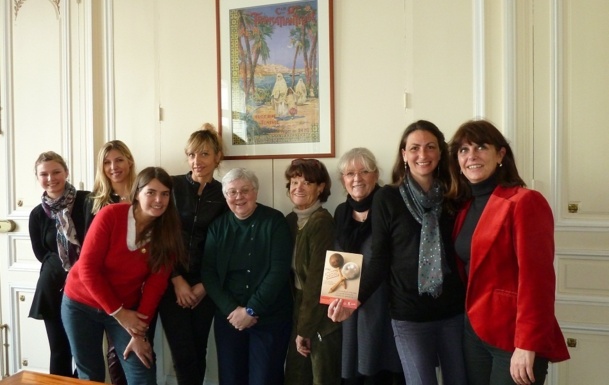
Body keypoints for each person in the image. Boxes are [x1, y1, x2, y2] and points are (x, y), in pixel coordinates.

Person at [329, 120, 467, 385]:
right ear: (404, 154)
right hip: (408, 314)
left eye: (430, 147)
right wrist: (352, 302)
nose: (422, 154)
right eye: (414, 148)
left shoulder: (455, 195)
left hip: (452, 311)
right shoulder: (388, 198)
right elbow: (380, 260)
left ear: (440, 152)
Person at [447, 119, 570, 385]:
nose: (472, 156)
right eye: (463, 150)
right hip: (473, 331)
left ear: (501, 154)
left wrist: (527, 344)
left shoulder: (525, 201)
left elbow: (537, 280)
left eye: (481, 147)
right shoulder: (465, 207)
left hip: (514, 336)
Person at [61, 167, 185, 384]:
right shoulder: (111, 215)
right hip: (80, 304)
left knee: (142, 371)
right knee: (90, 375)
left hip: (126, 309)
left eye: (165, 194)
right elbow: (88, 269)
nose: (159, 199)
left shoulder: (167, 233)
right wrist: (118, 313)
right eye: (151, 192)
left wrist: (138, 333)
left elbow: (156, 285)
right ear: (137, 193)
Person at [201, 167, 293, 385]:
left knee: (265, 379)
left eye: (245, 190)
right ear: (225, 196)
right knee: (231, 378)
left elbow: (279, 271)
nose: (239, 197)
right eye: (232, 192)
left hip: (270, 317)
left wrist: (252, 309)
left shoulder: (274, 221)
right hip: (230, 319)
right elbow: (209, 273)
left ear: (256, 192)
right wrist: (232, 310)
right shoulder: (218, 227)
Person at [157, 125, 228, 385]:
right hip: (171, 280)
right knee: (182, 351)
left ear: (217, 157)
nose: (197, 162)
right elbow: (159, 234)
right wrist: (176, 279)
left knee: (199, 349)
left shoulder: (225, 193)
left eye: (204, 154)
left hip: (206, 283)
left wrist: (204, 286)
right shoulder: (172, 186)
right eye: (192, 155)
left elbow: (226, 246)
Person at [333, 148, 404, 385]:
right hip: (353, 307)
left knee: (385, 370)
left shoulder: (391, 203)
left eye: (364, 171)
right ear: (342, 180)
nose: (357, 179)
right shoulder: (341, 212)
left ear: (376, 175)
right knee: (355, 370)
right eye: (350, 173)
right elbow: (339, 262)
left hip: (386, 303)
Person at [28, 151, 89, 377]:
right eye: (44, 174)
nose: (51, 178)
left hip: (85, 285)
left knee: (84, 351)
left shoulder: (87, 201)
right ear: (37, 178)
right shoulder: (37, 214)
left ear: (66, 172)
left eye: (56, 172)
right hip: (52, 286)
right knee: (59, 350)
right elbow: (40, 253)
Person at [284, 158, 341, 385]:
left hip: (322, 312)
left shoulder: (322, 222)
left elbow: (317, 280)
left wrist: (304, 329)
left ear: (320, 188)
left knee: (320, 376)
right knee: (297, 375)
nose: (298, 187)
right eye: (294, 181)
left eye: (307, 182)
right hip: (300, 307)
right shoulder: (290, 221)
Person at [84, 140, 136, 385]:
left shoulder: (144, 195)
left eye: (118, 160)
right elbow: (87, 252)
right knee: (104, 355)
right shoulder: (94, 202)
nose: (113, 167)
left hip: (134, 287)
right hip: (101, 289)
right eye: (107, 162)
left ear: (129, 161)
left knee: (126, 351)